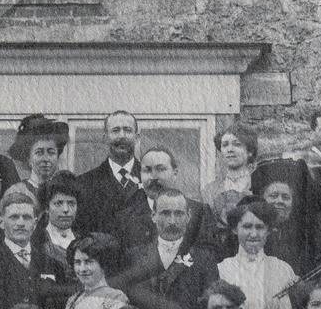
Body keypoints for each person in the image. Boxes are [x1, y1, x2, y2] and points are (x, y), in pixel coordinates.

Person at [115, 185, 219, 309]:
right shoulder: (134, 257)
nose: (172, 221)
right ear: (153, 216)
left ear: (188, 216)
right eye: (165, 213)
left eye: (178, 214)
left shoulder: (204, 259)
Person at [217, 196, 298, 309]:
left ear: (268, 230)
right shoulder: (221, 269)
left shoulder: (282, 269)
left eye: (260, 227)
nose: (253, 233)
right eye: (247, 226)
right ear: (235, 229)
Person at [112, 148, 226, 256]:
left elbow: (210, 258)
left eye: (160, 169)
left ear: (175, 173)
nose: (153, 177)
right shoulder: (125, 218)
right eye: (147, 170)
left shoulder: (200, 213)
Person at [74, 109, 145, 237]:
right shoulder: (84, 183)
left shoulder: (150, 179)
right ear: (105, 137)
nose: (122, 136)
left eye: (128, 130)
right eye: (115, 130)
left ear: (137, 137)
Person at [251, 157, 313, 275]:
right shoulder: (252, 232)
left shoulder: (302, 236)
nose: (280, 201)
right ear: (262, 200)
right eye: (274, 195)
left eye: (285, 197)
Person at [5, 113, 70, 207]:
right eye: (39, 153)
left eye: (51, 152)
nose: (46, 159)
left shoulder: (66, 191)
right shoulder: (17, 191)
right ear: (28, 158)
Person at [202, 122, 260, 226]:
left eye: (237, 144)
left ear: (250, 151)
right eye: (225, 145)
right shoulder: (209, 190)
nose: (230, 150)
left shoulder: (258, 186)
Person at [37, 172, 83, 268]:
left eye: (71, 203)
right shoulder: (38, 242)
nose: (66, 210)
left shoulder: (83, 240)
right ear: (47, 208)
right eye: (58, 203)